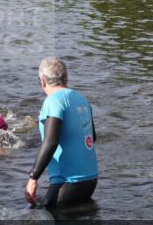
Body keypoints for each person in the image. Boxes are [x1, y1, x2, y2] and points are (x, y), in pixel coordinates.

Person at [25, 57, 98, 209]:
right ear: (66, 77)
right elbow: (93, 137)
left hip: (66, 183)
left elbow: (51, 142)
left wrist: (33, 178)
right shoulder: (82, 99)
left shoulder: (53, 101)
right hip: (91, 180)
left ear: (42, 81)